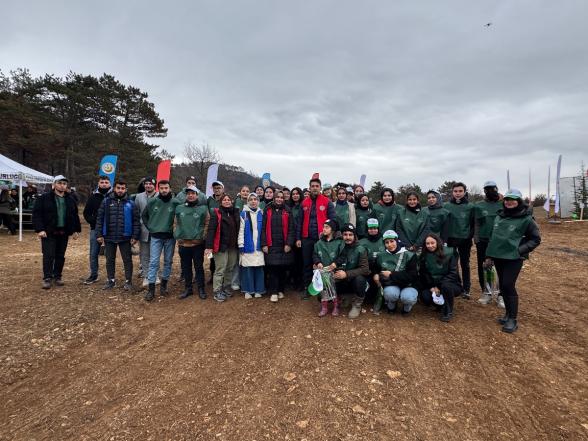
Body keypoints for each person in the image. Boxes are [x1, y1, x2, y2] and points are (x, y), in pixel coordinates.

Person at [486, 189, 541, 333]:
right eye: (507, 199)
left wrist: (519, 250)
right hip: (499, 256)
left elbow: (535, 239)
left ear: (519, 201)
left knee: (508, 285)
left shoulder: (526, 219)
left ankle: (512, 319)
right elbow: (494, 237)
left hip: (514, 258)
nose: (509, 202)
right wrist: (489, 256)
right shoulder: (499, 217)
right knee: (503, 287)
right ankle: (507, 315)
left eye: (513, 199)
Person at [32, 175, 81, 289]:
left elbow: (74, 215)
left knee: (60, 256)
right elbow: (37, 214)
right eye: (60, 183)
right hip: (49, 232)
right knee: (48, 255)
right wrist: (40, 229)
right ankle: (47, 278)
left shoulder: (70, 199)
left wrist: (75, 230)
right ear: (54, 185)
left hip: (63, 232)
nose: (62, 186)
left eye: (64, 184)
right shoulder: (44, 198)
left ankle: (57, 276)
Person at [95, 180, 140, 291]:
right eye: (118, 188)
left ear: (126, 190)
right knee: (109, 259)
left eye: (123, 188)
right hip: (109, 236)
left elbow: (136, 221)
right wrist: (99, 234)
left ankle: (128, 281)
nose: (120, 190)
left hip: (125, 237)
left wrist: (135, 236)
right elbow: (100, 218)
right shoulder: (106, 201)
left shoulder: (131, 203)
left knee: (127, 260)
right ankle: (111, 280)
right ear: (114, 188)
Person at [296, 177, 336, 297]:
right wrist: (298, 238)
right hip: (306, 238)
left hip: (322, 238)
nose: (314, 188)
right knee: (307, 263)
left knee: (323, 263)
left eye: (316, 186)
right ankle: (308, 289)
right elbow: (299, 222)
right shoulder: (304, 203)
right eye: (312, 186)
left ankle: (324, 289)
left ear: (320, 188)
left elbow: (333, 220)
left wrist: (330, 235)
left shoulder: (327, 202)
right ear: (309, 188)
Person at [142, 180, 177, 301]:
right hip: (156, 236)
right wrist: (150, 227)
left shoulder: (175, 202)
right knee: (153, 262)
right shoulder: (152, 202)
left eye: (166, 188)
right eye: (161, 188)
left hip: (170, 237)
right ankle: (151, 290)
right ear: (158, 189)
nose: (164, 190)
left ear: (170, 189)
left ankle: (163, 286)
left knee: (168, 261)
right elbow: (144, 215)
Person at [174, 186, 209, 300]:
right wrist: (177, 235)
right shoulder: (179, 208)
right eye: (188, 193)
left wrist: (202, 236)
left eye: (193, 193)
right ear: (186, 195)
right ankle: (188, 289)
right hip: (183, 244)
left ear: (197, 195)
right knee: (186, 267)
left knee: (199, 267)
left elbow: (207, 223)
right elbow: (175, 223)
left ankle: (201, 288)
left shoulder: (203, 208)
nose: (191, 195)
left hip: (197, 244)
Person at [205, 193, 240, 302]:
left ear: (231, 201)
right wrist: (209, 246)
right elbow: (211, 230)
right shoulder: (217, 214)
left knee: (230, 268)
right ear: (221, 202)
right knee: (220, 269)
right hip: (220, 246)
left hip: (233, 246)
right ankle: (217, 291)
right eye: (224, 200)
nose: (226, 201)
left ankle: (226, 287)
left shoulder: (235, 213)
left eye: (228, 199)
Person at [418, 234, 462, 322]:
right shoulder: (423, 256)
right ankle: (440, 305)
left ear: (438, 242)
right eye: (427, 243)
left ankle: (448, 311)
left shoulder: (450, 252)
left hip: (450, 285)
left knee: (446, 286)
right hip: (433, 285)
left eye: (432, 243)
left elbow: (453, 273)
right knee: (425, 297)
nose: (430, 246)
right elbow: (424, 274)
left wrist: (439, 286)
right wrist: (431, 287)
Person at [374, 230, 418, 315]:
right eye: (387, 242)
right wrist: (375, 274)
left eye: (392, 241)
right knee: (390, 294)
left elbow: (413, 276)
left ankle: (407, 308)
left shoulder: (409, 255)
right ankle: (391, 306)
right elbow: (376, 267)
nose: (390, 245)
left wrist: (391, 274)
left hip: (408, 284)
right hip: (392, 284)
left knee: (407, 297)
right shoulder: (381, 255)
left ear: (397, 240)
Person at [262, 190, 295, 302]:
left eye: (281, 197)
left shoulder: (287, 210)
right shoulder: (267, 210)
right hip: (271, 244)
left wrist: (289, 243)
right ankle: (274, 292)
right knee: (273, 269)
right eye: (278, 197)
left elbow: (291, 229)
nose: (280, 199)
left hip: (283, 244)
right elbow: (263, 228)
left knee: (282, 269)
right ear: (274, 198)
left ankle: (281, 290)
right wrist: (264, 243)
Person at [444, 182, 475, 299]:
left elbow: (473, 225)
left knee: (465, 264)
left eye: (460, 191)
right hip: (450, 239)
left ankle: (466, 289)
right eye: (455, 191)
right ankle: (457, 285)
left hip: (464, 240)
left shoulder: (470, 207)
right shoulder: (446, 206)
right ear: (452, 192)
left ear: (464, 192)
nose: (458, 193)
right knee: (452, 264)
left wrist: (468, 236)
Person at [474, 181, 503, 305]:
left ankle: (501, 294)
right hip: (483, 240)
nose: (490, 192)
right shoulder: (479, 205)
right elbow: (476, 223)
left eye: (493, 189)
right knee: (484, 267)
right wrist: (476, 238)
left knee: (501, 268)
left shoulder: (504, 203)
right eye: (487, 189)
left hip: (500, 241)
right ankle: (486, 292)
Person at [333, 223, 370, 319]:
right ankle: (345, 297)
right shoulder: (339, 246)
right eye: (345, 234)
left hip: (354, 279)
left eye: (350, 235)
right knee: (322, 296)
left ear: (354, 236)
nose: (348, 237)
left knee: (360, 280)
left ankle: (357, 305)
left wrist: (346, 274)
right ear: (342, 235)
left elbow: (365, 269)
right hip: (341, 279)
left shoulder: (361, 249)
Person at [82, 175, 111, 284]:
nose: (104, 184)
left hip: (111, 230)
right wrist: (94, 221)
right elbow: (86, 213)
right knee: (93, 253)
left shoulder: (113, 196)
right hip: (95, 229)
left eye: (106, 182)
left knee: (110, 254)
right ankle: (94, 275)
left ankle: (110, 276)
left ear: (110, 184)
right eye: (102, 182)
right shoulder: (93, 197)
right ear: (99, 184)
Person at [313, 219, 344, 316]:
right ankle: (324, 306)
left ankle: (335, 305)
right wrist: (318, 262)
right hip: (323, 270)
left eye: (327, 227)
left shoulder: (339, 242)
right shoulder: (319, 243)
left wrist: (336, 263)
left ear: (333, 230)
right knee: (323, 285)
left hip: (334, 270)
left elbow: (343, 255)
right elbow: (315, 254)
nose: (324, 229)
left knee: (331, 284)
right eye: (323, 227)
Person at [238, 193, 266, 299]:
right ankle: (248, 290)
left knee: (259, 269)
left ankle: (259, 290)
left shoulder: (261, 213)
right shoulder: (243, 214)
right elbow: (241, 231)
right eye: (251, 199)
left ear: (258, 202)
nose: (253, 201)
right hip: (247, 246)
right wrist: (241, 244)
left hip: (259, 246)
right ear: (247, 201)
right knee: (248, 269)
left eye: (255, 199)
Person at [134, 177, 158, 287]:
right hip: (143, 229)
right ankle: (146, 276)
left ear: (154, 185)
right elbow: (136, 212)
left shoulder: (159, 196)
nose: (148, 186)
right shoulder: (138, 197)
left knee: (155, 254)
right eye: (146, 184)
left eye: (150, 184)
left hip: (157, 230)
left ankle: (155, 275)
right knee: (144, 254)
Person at [288, 187, 304, 290]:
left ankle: (301, 283)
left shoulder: (303, 206)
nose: (295, 195)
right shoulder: (289, 207)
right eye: (293, 194)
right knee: (293, 261)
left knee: (301, 261)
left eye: (297, 194)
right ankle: (294, 282)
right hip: (291, 236)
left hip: (302, 236)